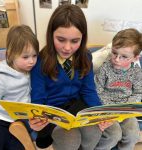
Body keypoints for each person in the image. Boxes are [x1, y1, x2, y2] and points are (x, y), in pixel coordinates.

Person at [29, 4, 112, 150]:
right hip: (53, 114)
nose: (67, 48)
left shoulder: (85, 56)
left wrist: (99, 114)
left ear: (82, 38)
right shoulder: (41, 61)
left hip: (77, 108)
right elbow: (38, 98)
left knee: (94, 132)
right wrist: (37, 120)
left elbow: (89, 91)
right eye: (61, 39)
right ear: (51, 35)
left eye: (75, 41)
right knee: (70, 139)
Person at [0, 24, 39, 150]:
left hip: (20, 121)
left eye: (34, 56)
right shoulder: (2, 77)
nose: (31, 61)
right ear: (11, 55)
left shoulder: (31, 71)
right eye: (25, 57)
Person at [94, 28, 142, 150]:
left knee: (132, 134)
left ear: (135, 58)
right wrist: (111, 110)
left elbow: (138, 93)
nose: (116, 59)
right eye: (114, 53)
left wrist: (123, 109)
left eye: (124, 56)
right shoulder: (105, 68)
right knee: (113, 135)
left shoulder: (136, 72)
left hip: (125, 111)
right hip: (106, 109)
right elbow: (97, 91)